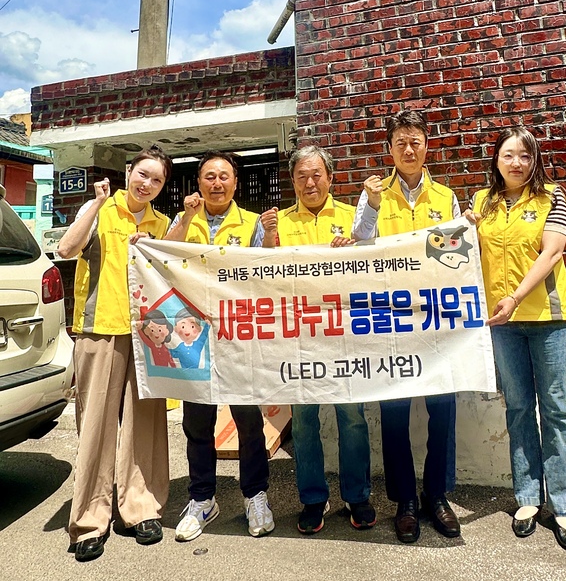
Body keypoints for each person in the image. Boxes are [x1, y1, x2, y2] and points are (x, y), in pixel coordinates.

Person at [466, 126, 566, 550]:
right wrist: (463, 229)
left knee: (555, 408)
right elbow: (461, 253)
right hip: (501, 322)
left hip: (547, 318)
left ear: (535, 160)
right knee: (518, 407)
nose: (516, 163)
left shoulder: (554, 197)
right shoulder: (482, 202)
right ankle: (528, 499)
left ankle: (565, 505)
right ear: (495, 159)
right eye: (508, 155)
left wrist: (514, 297)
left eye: (525, 156)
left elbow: (551, 253)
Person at [58, 146, 173, 563]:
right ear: (128, 172)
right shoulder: (100, 208)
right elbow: (66, 250)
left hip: (147, 334)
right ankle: (89, 520)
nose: (147, 184)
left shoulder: (161, 224)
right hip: (99, 330)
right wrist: (97, 203)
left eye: (156, 180)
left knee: (147, 423)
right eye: (142, 174)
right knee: (96, 426)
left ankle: (140, 508)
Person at [352, 110, 461, 543]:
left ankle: (437, 496)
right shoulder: (375, 194)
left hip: (436, 320)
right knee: (393, 412)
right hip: (390, 319)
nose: (409, 149)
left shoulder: (446, 196)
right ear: (391, 150)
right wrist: (373, 207)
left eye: (415, 141)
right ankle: (405, 501)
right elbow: (361, 243)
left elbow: (456, 256)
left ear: (426, 146)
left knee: (443, 410)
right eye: (401, 143)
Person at [260, 145, 376, 535]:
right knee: (305, 422)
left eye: (316, 175)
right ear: (291, 181)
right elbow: (262, 277)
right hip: (298, 338)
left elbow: (376, 268)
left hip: (344, 336)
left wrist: (356, 249)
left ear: (330, 176)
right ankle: (312, 498)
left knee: (352, 418)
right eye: (301, 176)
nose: (310, 183)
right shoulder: (276, 222)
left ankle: (357, 495)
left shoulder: (352, 219)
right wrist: (268, 242)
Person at [164, 150, 273, 540]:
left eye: (224, 176)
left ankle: (255, 495)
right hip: (192, 337)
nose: (216, 183)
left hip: (239, 336)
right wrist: (188, 217)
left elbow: (266, 271)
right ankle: (203, 499)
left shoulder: (252, 223)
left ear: (235, 183)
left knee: (248, 422)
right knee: (198, 423)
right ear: (198, 183)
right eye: (209, 176)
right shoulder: (182, 220)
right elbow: (160, 258)